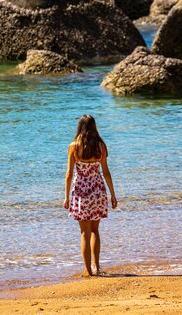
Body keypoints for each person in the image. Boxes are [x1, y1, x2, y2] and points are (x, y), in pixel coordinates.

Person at [63, 114, 118, 276]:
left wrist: (66, 197)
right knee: (95, 231)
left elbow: (69, 174)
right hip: (98, 191)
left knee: (84, 233)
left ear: (79, 127)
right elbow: (106, 172)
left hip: (80, 192)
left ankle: (88, 271)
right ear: (94, 127)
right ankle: (97, 267)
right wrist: (113, 195)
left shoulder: (74, 146)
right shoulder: (101, 146)